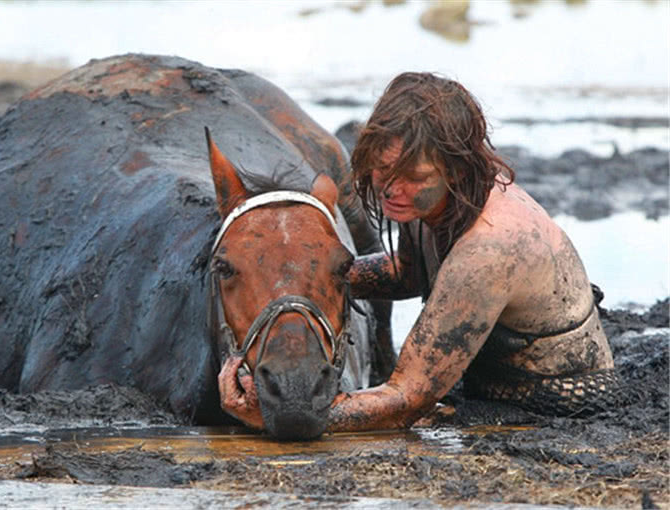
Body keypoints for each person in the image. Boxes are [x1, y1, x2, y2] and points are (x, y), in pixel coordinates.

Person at [218, 72, 619, 432]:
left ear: (458, 169)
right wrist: (306, 280)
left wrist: (282, 411)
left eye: (414, 177)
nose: (392, 189)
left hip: (555, 406)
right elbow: (409, 273)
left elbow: (406, 398)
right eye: (383, 170)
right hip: (487, 386)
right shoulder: (431, 199)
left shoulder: (490, 249)